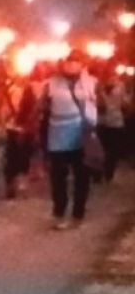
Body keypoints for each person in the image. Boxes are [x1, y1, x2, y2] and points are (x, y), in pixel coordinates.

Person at [41, 50, 98, 229]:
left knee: (82, 176)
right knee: (58, 177)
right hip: (57, 135)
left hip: (81, 134)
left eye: (75, 61)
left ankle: (78, 214)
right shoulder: (50, 84)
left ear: (82, 64)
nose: (71, 64)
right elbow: (42, 106)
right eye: (68, 60)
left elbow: (99, 104)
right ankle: (59, 213)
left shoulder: (91, 82)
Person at [97, 62, 129, 183]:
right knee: (101, 148)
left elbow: (125, 102)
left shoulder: (120, 85)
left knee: (113, 149)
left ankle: (108, 172)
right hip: (101, 121)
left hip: (116, 121)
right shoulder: (98, 85)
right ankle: (99, 173)